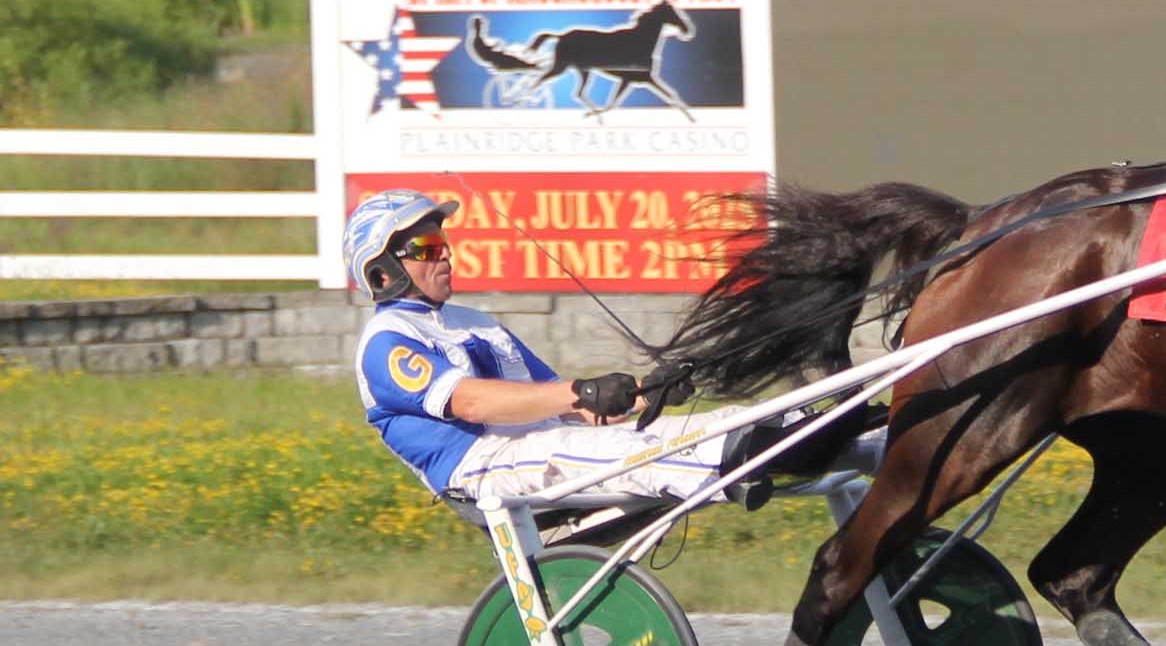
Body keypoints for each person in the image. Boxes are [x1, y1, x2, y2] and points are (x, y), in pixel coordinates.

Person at [343, 188, 876, 508]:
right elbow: (473, 404)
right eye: (426, 249)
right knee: (633, 452)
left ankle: (840, 437)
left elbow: (568, 403)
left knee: (703, 425)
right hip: (480, 466)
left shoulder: (476, 323)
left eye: (445, 246)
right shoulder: (387, 342)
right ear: (381, 268)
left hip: (544, 447)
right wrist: (580, 391)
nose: (445, 258)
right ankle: (741, 458)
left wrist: (644, 392)